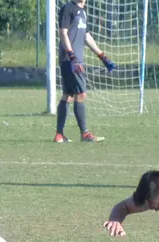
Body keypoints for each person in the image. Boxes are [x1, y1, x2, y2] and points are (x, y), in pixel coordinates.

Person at [54, 0, 116, 143]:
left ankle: (59, 135)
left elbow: (87, 36)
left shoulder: (82, 12)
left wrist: (102, 57)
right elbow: (63, 33)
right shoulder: (68, 8)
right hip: (71, 60)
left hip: (72, 60)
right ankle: (85, 134)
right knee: (81, 94)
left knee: (68, 95)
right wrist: (72, 56)